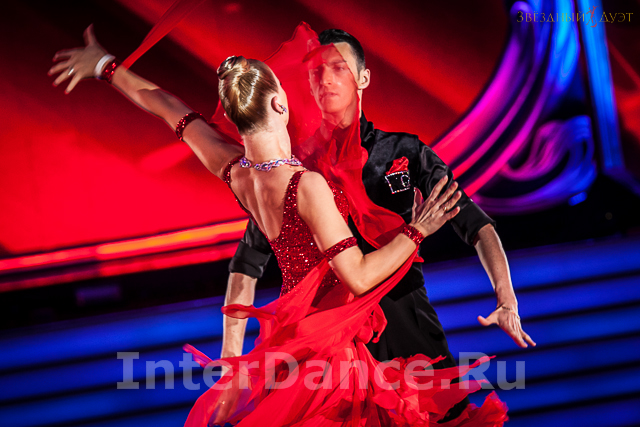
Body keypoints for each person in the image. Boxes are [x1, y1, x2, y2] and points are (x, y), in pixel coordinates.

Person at [50, 25, 508, 426]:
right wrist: (419, 230)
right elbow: (358, 275)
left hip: (297, 344)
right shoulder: (306, 185)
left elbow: (168, 107)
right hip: (333, 346)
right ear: (279, 103)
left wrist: (107, 68)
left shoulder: (234, 170)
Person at [223, 28, 536, 421]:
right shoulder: (295, 171)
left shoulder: (404, 151)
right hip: (335, 342)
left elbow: (476, 225)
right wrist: (231, 362)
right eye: (317, 72)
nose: (326, 79)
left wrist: (506, 300)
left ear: (364, 78)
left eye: (338, 68)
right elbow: (246, 264)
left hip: (408, 323)